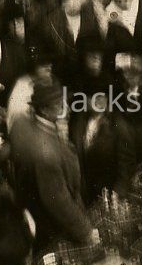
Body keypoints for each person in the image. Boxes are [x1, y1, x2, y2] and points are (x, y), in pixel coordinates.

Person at [9, 81, 98, 247]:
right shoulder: (46, 149)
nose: (67, 109)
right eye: (60, 105)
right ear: (44, 110)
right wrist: (85, 231)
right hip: (55, 230)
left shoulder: (32, 127)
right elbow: (58, 200)